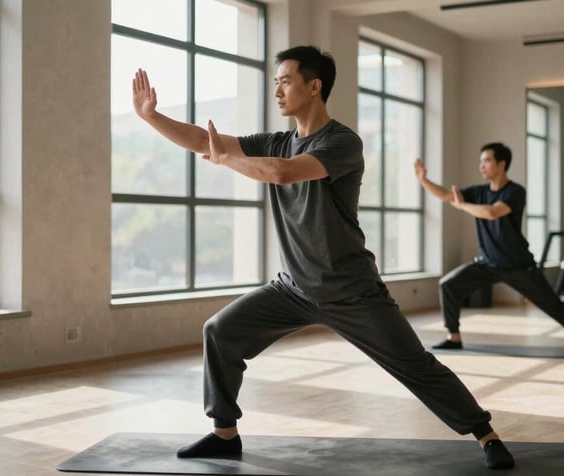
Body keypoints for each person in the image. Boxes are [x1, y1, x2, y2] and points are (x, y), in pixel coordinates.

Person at [132, 45, 515, 470]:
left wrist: (227, 161)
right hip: (292, 288)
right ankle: (225, 434)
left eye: (286, 81)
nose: (277, 91)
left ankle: (486, 435)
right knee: (220, 331)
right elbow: (203, 141)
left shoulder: (342, 142)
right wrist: (152, 117)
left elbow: (284, 173)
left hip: (352, 290)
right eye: (275, 82)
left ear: (314, 86)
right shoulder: (275, 142)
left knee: (417, 366)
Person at [414, 143, 564, 356]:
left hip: (518, 265)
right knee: (448, 285)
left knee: (552, 304)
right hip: (488, 263)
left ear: (501, 164)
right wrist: (423, 180)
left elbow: (491, 213)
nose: (481, 166)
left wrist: (462, 206)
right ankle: (454, 337)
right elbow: (447, 195)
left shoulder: (515, 192)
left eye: (487, 161)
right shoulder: (479, 192)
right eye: (480, 161)